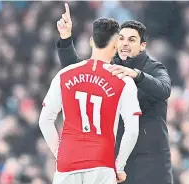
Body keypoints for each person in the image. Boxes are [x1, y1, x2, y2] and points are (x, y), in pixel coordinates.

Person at [56, 3, 173, 184]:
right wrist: (66, 40)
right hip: (118, 159)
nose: (125, 43)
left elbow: (164, 89)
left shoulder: (154, 68)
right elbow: (78, 73)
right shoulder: (110, 67)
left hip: (151, 162)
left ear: (142, 46)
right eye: (121, 39)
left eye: (131, 40)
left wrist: (137, 76)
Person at [39, 7, 141, 184]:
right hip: (101, 164)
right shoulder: (123, 80)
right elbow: (132, 131)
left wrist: (60, 153)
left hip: (67, 164)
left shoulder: (64, 75)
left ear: (91, 42)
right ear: (116, 44)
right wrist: (119, 166)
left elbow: (44, 120)